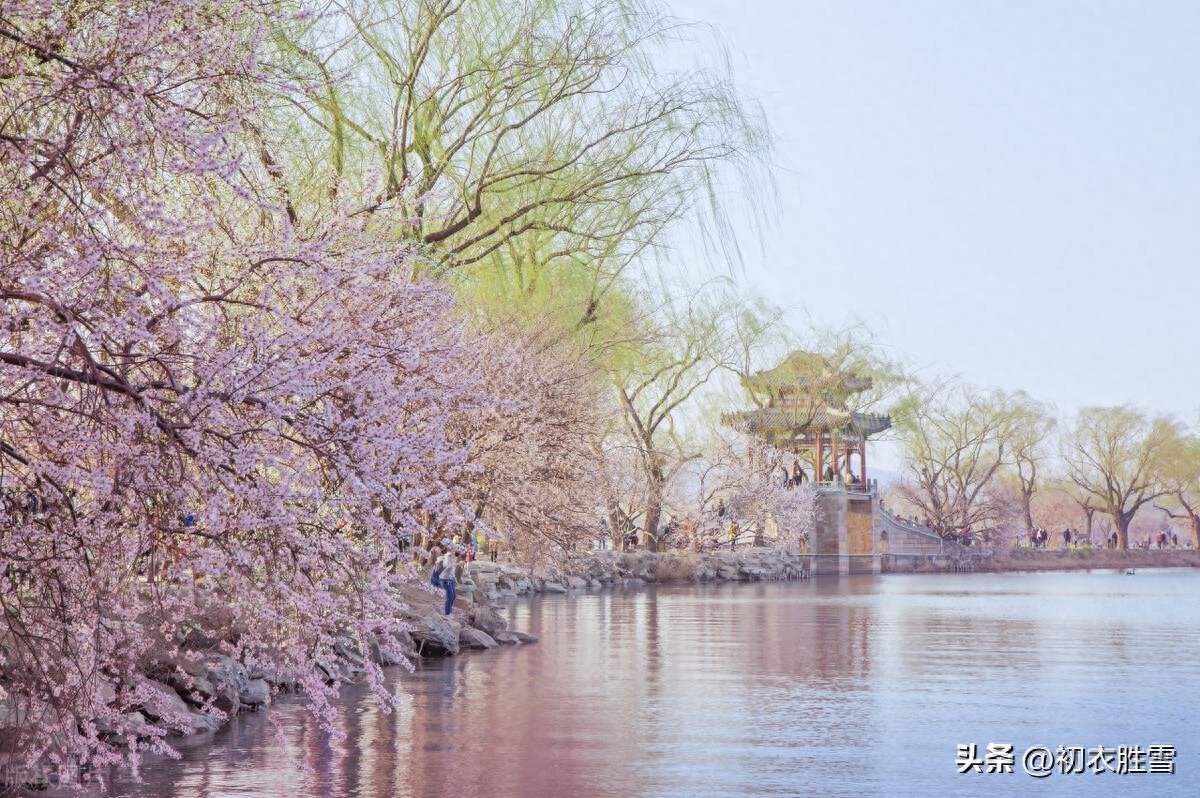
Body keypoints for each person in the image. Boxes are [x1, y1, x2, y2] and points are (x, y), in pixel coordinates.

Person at [438, 549, 458, 616]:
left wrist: (455, 579)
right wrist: (456, 563)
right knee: (450, 595)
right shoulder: (447, 556)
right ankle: (448, 613)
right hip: (445, 579)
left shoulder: (452, 557)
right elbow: (447, 567)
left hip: (450, 579)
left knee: (454, 595)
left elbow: (452, 571)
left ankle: (449, 611)